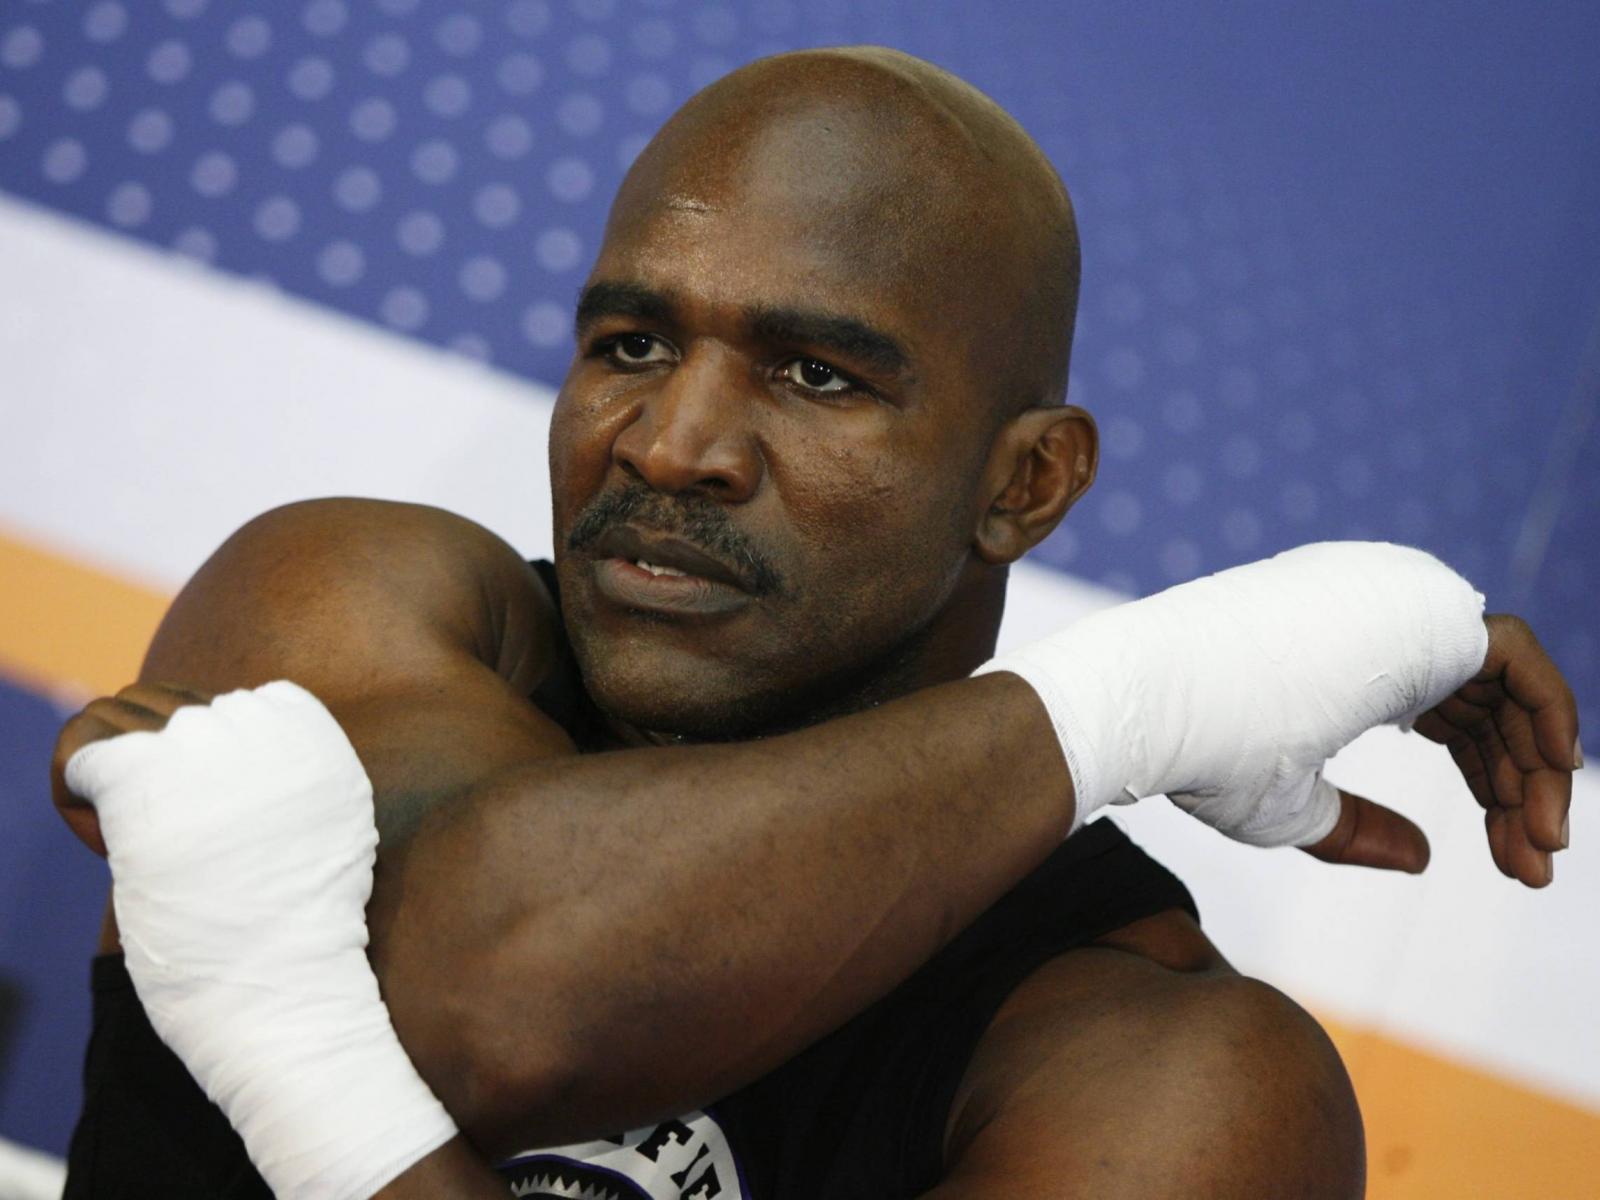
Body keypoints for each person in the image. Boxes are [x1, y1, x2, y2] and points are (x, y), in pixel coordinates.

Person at [52, 47, 1578, 1199]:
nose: (671, 444)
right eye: (630, 343)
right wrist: (1138, 702)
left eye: (815, 376)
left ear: (1026, 485)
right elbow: (493, 985)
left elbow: (496, 1019)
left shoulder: (1165, 1078)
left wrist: (302, 1052)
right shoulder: (356, 601)